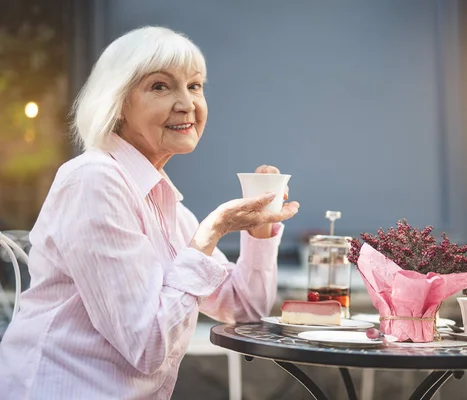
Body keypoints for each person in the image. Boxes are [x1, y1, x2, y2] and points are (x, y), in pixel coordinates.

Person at [0, 26, 299, 399]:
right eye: (160, 86)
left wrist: (258, 230)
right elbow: (147, 346)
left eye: (195, 85)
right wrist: (210, 234)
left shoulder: (161, 200)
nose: (187, 103)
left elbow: (245, 308)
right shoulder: (94, 181)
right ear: (118, 103)